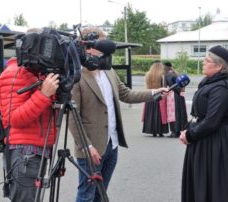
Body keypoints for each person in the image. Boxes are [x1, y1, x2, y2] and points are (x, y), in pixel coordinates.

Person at [68, 27, 168, 202]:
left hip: (111, 145)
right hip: (91, 148)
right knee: (86, 195)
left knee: (101, 194)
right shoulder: (77, 74)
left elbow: (126, 94)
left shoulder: (108, 70)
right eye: (102, 45)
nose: (107, 50)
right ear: (88, 46)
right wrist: (86, 146)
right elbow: (72, 116)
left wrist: (154, 93)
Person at [179, 46, 228, 202]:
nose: (203, 62)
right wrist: (187, 129)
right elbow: (200, 114)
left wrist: (189, 135)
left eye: (207, 60)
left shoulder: (221, 88)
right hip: (203, 138)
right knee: (201, 181)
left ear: (219, 66)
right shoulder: (209, 82)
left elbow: (211, 121)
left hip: (216, 141)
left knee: (215, 185)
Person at [0, 44, 60, 200]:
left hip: (35, 150)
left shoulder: (36, 73)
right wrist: (44, 95)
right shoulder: (14, 74)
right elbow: (14, 119)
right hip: (25, 152)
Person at [142, 61, 169, 137]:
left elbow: (146, 86)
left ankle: (152, 130)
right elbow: (164, 86)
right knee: (159, 114)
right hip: (159, 96)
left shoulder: (148, 74)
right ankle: (160, 131)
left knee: (150, 113)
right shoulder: (162, 75)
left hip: (149, 95)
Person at [164, 62, 188, 138]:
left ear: (165, 68)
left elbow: (166, 86)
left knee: (173, 114)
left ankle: (174, 131)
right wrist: (181, 92)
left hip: (172, 95)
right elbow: (182, 85)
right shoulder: (176, 73)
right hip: (180, 95)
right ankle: (180, 130)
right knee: (180, 113)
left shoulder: (167, 75)